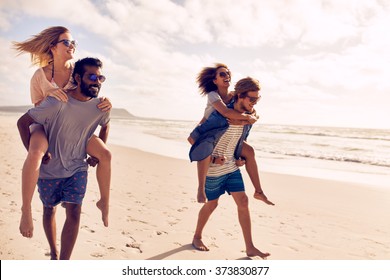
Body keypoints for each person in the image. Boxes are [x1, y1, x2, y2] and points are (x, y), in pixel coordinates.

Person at [13, 26, 111, 239]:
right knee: (36, 153)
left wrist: (105, 102)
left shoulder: (78, 71)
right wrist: (30, 145)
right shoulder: (40, 76)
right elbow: (36, 110)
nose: (72, 46)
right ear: (53, 48)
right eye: (66, 42)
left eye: (73, 42)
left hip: (71, 126)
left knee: (105, 154)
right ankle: (26, 210)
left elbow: (91, 89)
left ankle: (104, 201)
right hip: (45, 124)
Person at [190, 77, 273, 258]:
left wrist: (239, 157)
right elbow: (194, 140)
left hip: (230, 167)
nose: (254, 103)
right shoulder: (219, 116)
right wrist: (211, 158)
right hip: (212, 170)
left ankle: (250, 247)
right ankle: (197, 236)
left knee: (243, 202)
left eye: (257, 99)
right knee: (212, 205)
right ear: (240, 96)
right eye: (251, 99)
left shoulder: (247, 117)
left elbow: (239, 141)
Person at [188, 63, 271, 205]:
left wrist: (252, 117)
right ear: (215, 81)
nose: (227, 76)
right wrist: (247, 119)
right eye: (222, 74)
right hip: (207, 129)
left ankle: (258, 191)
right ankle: (200, 189)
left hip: (220, 130)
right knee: (205, 150)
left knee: (249, 151)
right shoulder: (213, 95)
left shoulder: (233, 96)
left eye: (228, 74)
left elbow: (247, 111)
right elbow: (226, 113)